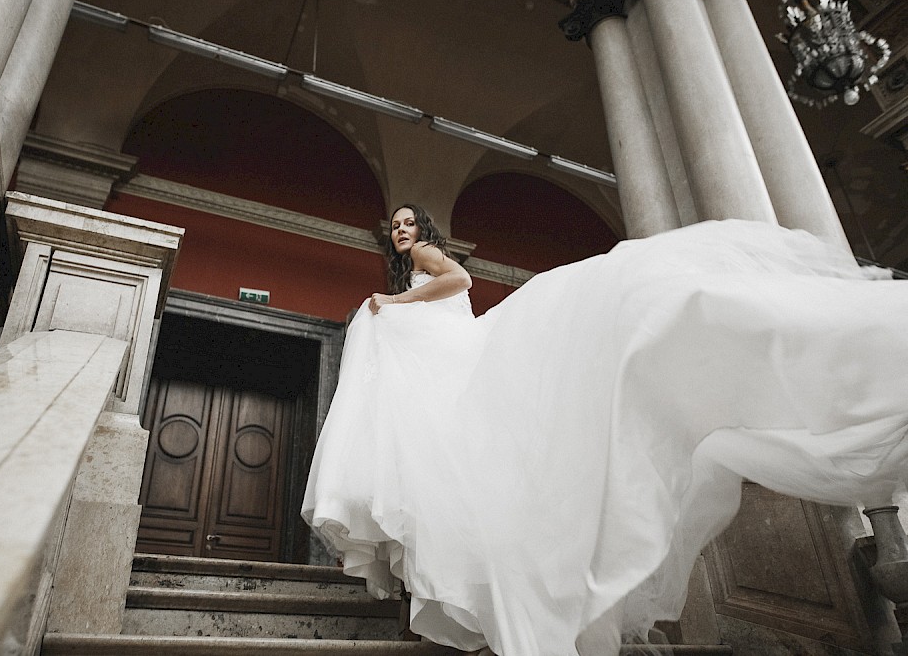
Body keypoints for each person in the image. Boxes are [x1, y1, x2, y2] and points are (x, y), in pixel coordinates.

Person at [301, 203, 908, 656]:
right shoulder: (410, 266)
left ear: (423, 231)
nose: (403, 232)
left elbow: (460, 283)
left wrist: (395, 305)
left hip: (461, 351)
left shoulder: (427, 260)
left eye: (409, 224)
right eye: (397, 228)